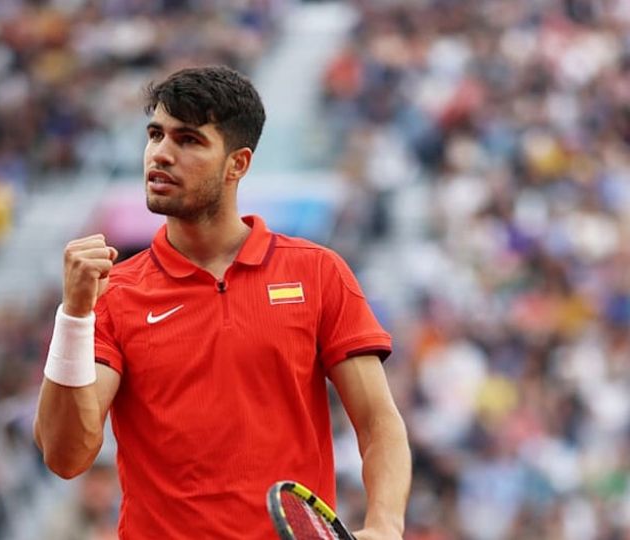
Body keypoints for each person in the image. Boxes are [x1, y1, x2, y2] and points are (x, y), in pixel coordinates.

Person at [33, 65, 411, 539]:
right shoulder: (115, 294)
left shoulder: (318, 273)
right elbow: (66, 456)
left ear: (238, 164)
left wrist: (385, 525)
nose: (161, 153)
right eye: (156, 134)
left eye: (188, 140)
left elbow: (378, 424)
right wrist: (74, 316)